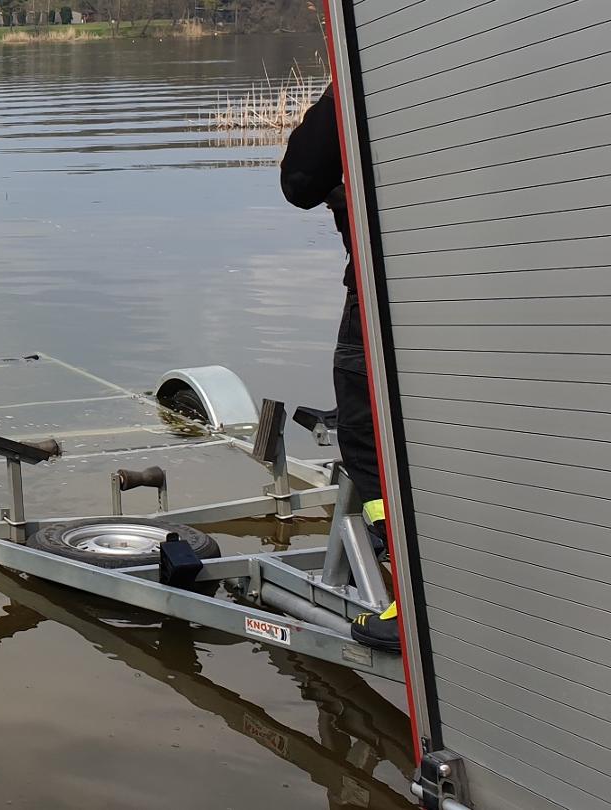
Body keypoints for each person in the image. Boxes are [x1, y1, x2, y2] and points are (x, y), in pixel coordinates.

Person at [280, 84, 399, 653]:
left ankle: (410, 593)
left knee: (368, 438)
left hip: (384, 290)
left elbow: (300, 180)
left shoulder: (368, 71)